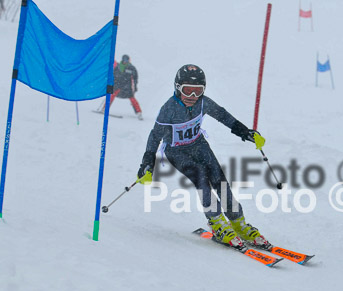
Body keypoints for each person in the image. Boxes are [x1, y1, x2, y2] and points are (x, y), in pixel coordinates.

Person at [136, 64, 268, 250]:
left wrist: (246, 133)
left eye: (197, 91)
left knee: (219, 180)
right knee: (200, 177)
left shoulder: (203, 102)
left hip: (198, 145)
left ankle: (239, 223)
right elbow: (155, 136)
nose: (192, 97)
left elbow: (224, 117)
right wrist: (147, 163)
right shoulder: (169, 108)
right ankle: (217, 224)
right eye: (187, 90)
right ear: (177, 87)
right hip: (176, 151)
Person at [106, 54, 143, 119]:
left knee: (132, 98)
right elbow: (113, 75)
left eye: (126, 60)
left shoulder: (132, 68)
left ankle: (139, 112)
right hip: (118, 85)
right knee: (111, 95)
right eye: (124, 60)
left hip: (127, 86)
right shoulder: (118, 67)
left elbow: (135, 78)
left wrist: (135, 86)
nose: (125, 61)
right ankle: (105, 109)